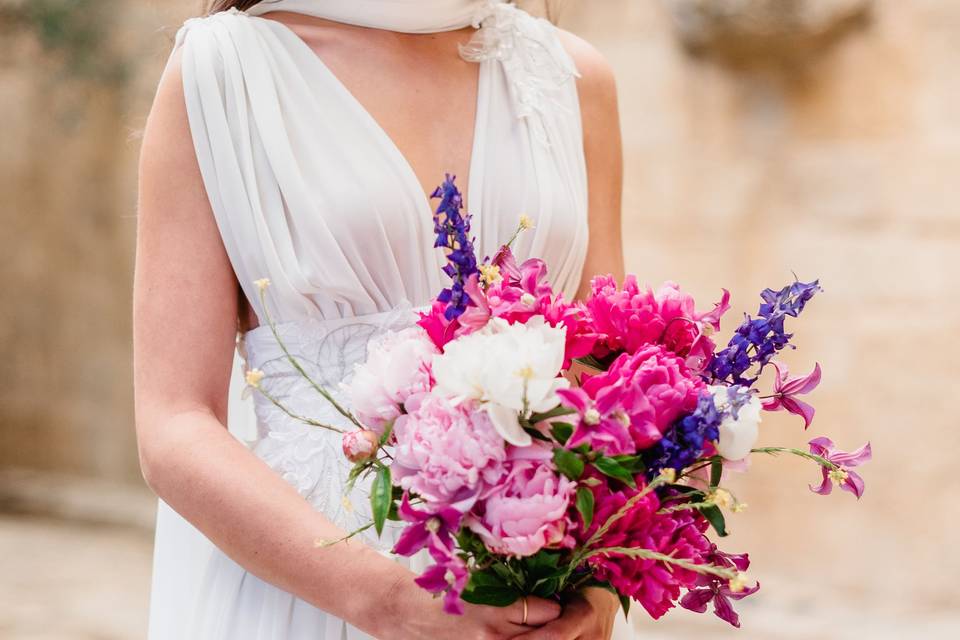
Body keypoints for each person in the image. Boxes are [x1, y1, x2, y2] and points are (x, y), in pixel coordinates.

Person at [134, 1, 625, 638]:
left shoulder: (571, 76)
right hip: (317, 592)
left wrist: (604, 578)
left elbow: (611, 368)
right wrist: (385, 599)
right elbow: (174, 422)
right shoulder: (222, 70)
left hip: (539, 599)